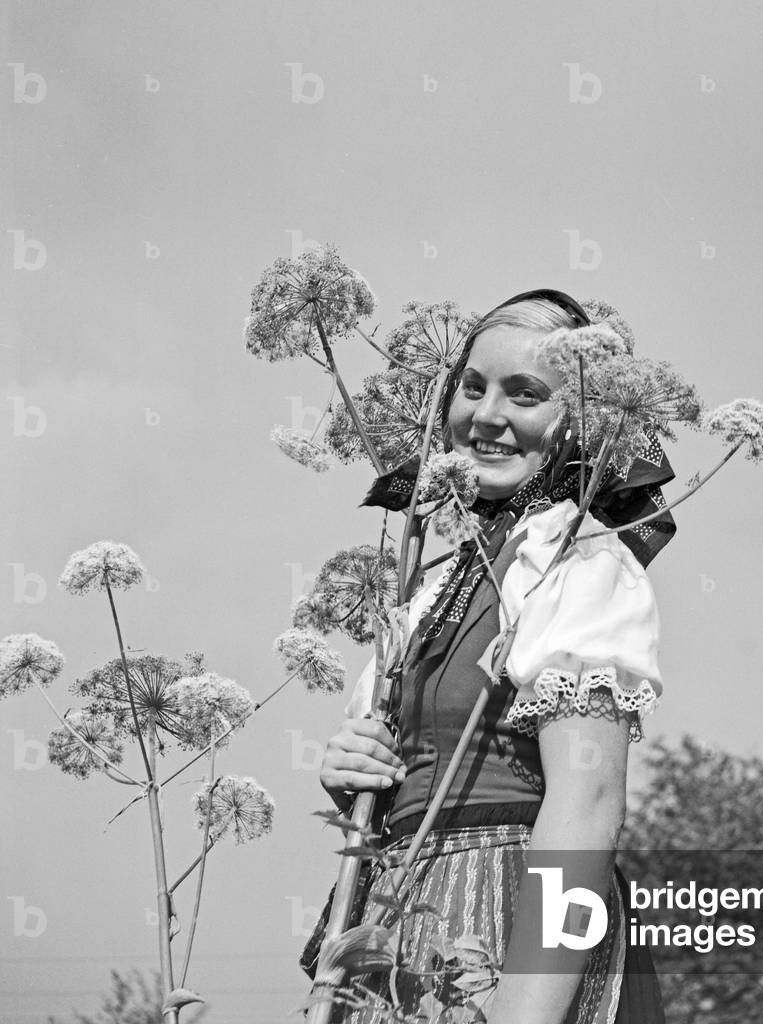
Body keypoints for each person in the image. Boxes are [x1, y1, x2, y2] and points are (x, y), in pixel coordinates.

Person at [302, 289, 675, 1023]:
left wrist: (522, 1012)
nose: (486, 415)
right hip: (396, 918)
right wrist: (355, 774)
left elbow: (587, 809)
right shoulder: (433, 582)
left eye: (524, 394)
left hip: (503, 920)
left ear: (582, 422)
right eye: (472, 387)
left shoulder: (578, 560)